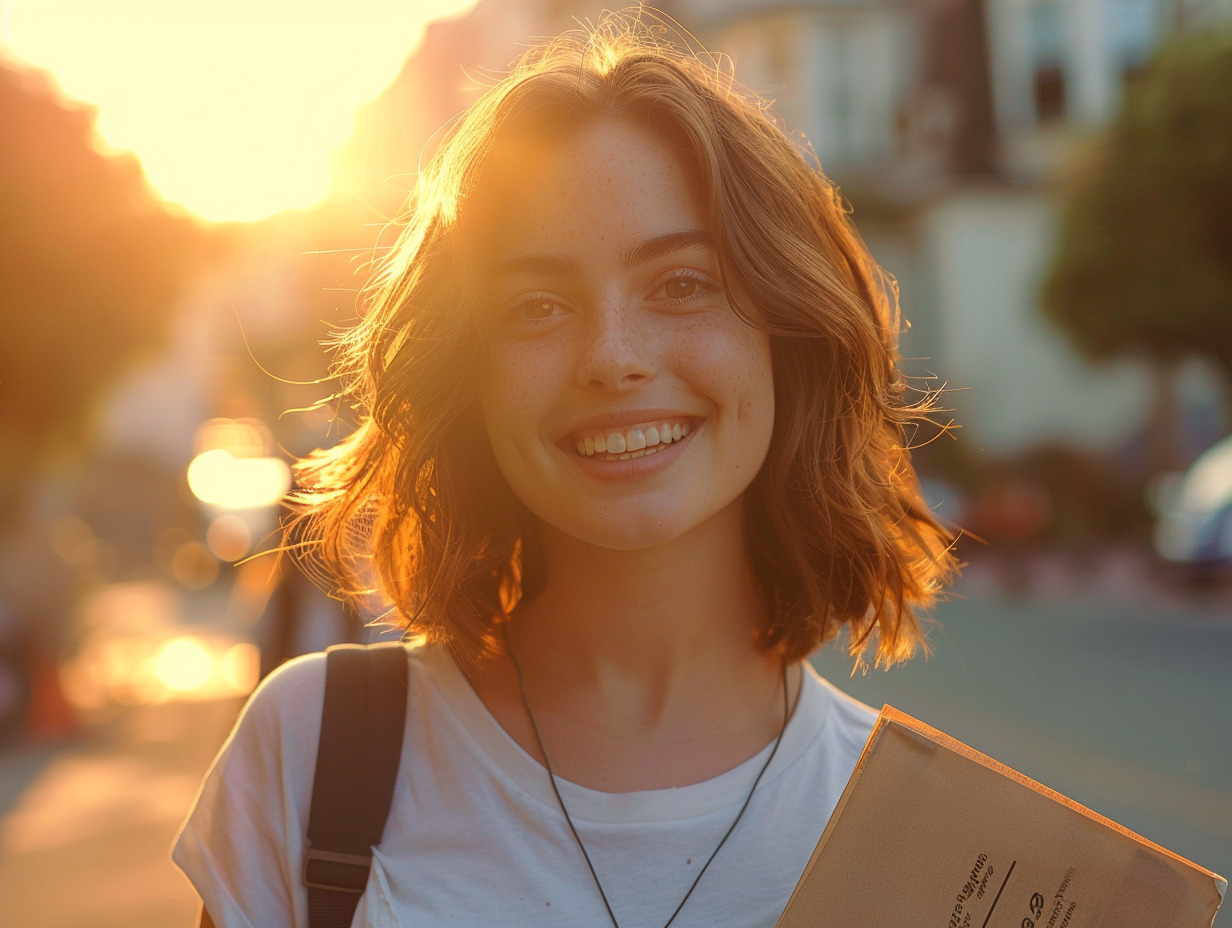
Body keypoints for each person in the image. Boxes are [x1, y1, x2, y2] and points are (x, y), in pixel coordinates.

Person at [173, 13, 958, 927]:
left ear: (791, 337)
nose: (612, 357)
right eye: (537, 305)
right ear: (470, 378)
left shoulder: (935, 845)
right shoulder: (313, 753)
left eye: (682, 284)